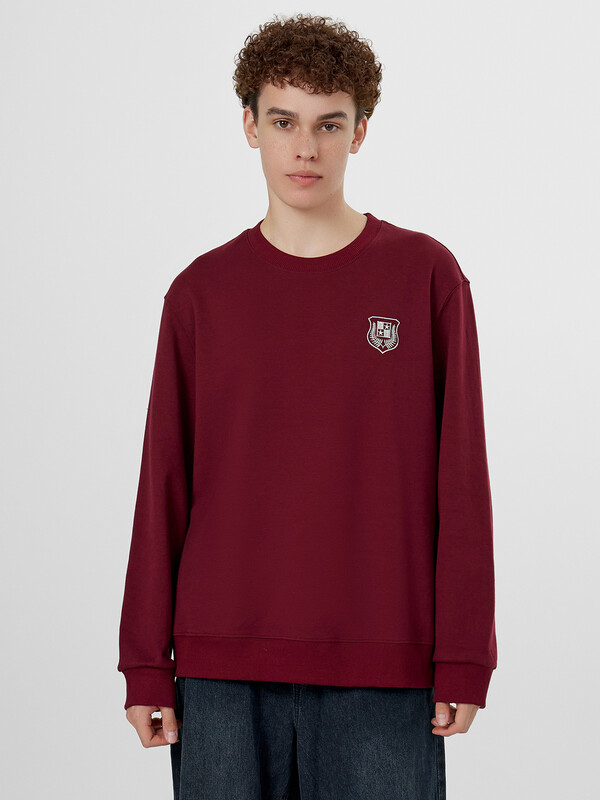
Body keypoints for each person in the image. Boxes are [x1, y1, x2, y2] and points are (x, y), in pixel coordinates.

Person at [117, 12, 497, 799]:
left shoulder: (425, 278)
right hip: (221, 670)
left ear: (360, 132)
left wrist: (464, 653)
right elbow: (163, 485)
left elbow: (461, 482)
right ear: (250, 126)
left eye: (329, 124)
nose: (306, 148)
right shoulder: (201, 294)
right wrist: (146, 662)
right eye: (284, 121)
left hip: (384, 667)